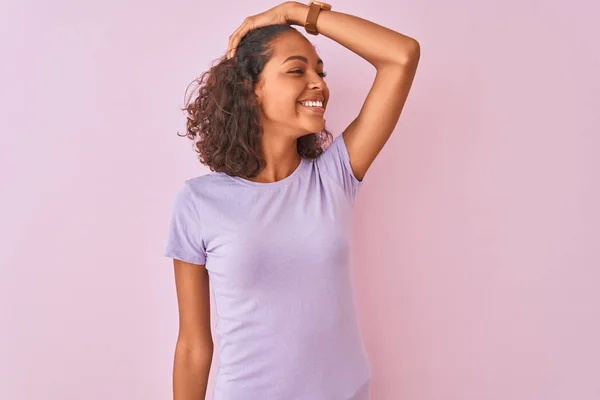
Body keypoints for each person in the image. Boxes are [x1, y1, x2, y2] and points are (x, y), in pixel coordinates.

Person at [163, 1, 420, 399]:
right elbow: (193, 346)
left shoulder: (334, 176)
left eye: (319, 71)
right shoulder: (199, 202)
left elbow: (401, 56)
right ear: (252, 91)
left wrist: (297, 13)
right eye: (297, 70)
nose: (317, 82)